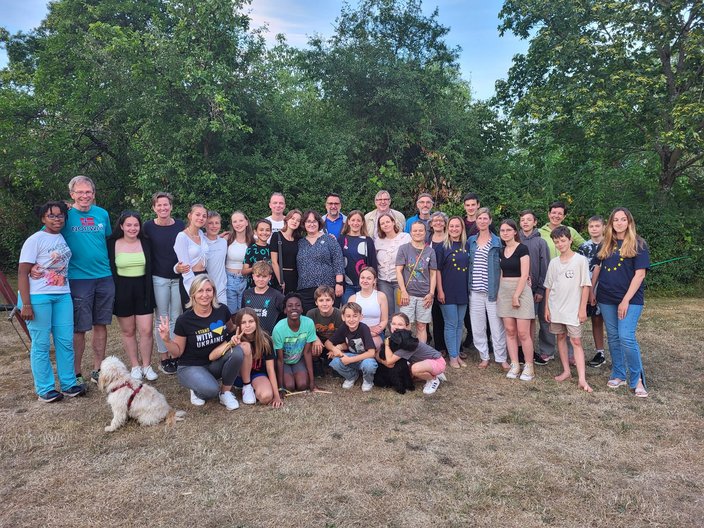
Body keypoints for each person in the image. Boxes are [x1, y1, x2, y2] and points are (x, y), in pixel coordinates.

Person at [18, 201, 85, 401]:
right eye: (51, 216)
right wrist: (26, 303)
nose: (56, 219)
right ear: (42, 218)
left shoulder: (62, 238)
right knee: (41, 344)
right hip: (39, 297)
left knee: (65, 341)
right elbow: (22, 272)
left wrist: (70, 205)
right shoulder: (35, 239)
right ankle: (45, 388)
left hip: (62, 294)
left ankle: (68, 383)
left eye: (60, 215)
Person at [158, 274, 245, 410]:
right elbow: (177, 352)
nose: (205, 295)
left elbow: (231, 329)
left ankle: (225, 392)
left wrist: (240, 333)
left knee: (238, 352)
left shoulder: (222, 310)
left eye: (208, 290)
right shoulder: (184, 320)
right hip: (190, 366)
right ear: (193, 294)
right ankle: (196, 387)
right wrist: (166, 340)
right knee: (211, 391)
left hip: (215, 361)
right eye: (200, 291)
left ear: (214, 292)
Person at [590, 207, 649, 397]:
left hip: (630, 299)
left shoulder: (638, 244)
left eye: (623, 220)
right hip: (606, 297)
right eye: (616, 220)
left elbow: (639, 275)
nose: (619, 223)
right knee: (614, 337)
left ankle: (637, 379)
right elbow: (597, 268)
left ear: (629, 222)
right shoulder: (606, 243)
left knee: (626, 336)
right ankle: (618, 374)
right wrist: (592, 290)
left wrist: (625, 300)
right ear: (611, 223)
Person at [62, 176, 115, 385]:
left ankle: (98, 369)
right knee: (79, 328)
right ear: (72, 194)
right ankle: (76, 373)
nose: (84, 196)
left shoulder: (102, 214)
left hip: (104, 276)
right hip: (78, 279)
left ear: (93, 194)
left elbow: (107, 240)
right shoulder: (64, 215)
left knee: (101, 324)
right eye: (80, 192)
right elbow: (46, 235)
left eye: (88, 192)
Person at [107, 211, 158, 381]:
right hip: (122, 290)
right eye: (128, 225)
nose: (132, 228)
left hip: (144, 289)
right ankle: (135, 365)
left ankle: (147, 366)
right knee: (128, 331)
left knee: (146, 330)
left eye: (136, 225)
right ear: (121, 226)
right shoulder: (112, 243)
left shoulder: (146, 242)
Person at [544, 226, 592, 392]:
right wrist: (547, 308)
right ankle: (566, 371)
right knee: (560, 337)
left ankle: (582, 378)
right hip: (556, 307)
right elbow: (548, 287)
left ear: (570, 240)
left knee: (576, 341)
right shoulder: (553, 263)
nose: (560, 244)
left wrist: (582, 309)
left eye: (563, 240)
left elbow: (585, 286)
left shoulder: (580, 260)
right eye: (557, 242)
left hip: (573, 309)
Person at [537, 202, 585, 363]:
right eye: (553, 212)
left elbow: (585, 246)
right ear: (548, 213)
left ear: (564, 216)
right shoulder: (540, 232)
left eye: (560, 213)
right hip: (549, 277)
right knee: (547, 317)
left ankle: (571, 353)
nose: (556, 215)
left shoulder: (569, 231)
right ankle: (547, 350)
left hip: (570, 279)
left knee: (569, 317)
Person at [142, 192, 185, 375]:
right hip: (158, 278)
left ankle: (175, 354)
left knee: (177, 316)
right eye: (159, 205)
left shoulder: (181, 226)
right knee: (162, 318)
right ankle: (164, 357)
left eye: (166, 204)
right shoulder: (148, 227)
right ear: (153, 208)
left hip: (178, 278)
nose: (163, 208)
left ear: (171, 206)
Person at [467, 208, 508, 370]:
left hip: (493, 291)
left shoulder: (498, 242)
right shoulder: (471, 241)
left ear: (490, 221)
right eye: (479, 219)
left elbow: (504, 265)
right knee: (477, 326)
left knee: (497, 326)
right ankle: (484, 356)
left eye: (485, 218)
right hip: (475, 291)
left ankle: (501, 357)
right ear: (476, 221)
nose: (482, 221)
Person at [497, 219, 535, 381]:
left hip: (521, 291)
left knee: (523, 332)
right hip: (504, 291)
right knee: (510, 331)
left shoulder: (522, 249)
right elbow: (501, 273)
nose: (505, 233)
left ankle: (528, 366)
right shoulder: (501, 251)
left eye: (508, 230)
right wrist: (501, 292)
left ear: (514, 232)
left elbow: (525, 274)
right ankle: (514, 364)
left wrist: (516, 295)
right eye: (502, 230)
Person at [378, 313, 447, 395]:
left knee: (415, 369)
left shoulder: (407, 344)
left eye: (400, 324)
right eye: (393, 324)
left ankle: (433, 379)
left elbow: (389, 361)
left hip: (438, 362)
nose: (396, 327)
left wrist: (386, 344)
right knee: (408, 372)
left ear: (407, 326)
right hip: (426, 361)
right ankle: (433, 371)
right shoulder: (401, 338)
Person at [435, 216, 470, 369]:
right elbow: (437, 271)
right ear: (447, 228)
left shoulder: (467, 245)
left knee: (459, 324)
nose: (454, 229)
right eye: (452, 226)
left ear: (462, 228)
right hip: (447, 291)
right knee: (450, 324)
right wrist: (440, 291)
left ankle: (455, 353)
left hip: (462, 291)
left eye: (457, 226)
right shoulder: (442, 247)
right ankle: (453, 357)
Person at [232, 308, 283, 407]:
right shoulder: (233, 338)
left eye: (251, 321)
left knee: (266, 397)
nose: (247, 325)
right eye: (243, 322)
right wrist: (233, 345)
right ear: (238, 325)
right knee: (244, 346)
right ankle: (244, 387)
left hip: (257, 374)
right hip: (238, 376)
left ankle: (252, 389)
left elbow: (270, 369)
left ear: (256, 322)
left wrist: (276, 396)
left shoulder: (265, 340)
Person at [396, 221, 437, 343]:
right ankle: (404, 354)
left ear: (425, 233)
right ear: (410, 232)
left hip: (424, 295)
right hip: (407, 294)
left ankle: (420, 353)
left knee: (421, 326)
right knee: (404, 326)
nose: (418, 233)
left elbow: (433, 273)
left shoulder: (430, 251)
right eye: (415, 230)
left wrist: (431, 293)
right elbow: (398, 271)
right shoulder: (404, 249)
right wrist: (403, 291)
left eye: (421, 230)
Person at [296, 210, 345, 312]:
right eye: (308, 221)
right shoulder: (300, 242)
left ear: (319, 223)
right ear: (303, 224)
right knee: (310, 320)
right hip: (305, 290)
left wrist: (339, 283)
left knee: (329, 322)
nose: (311, 224)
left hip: (328, 288)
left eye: (314, 221)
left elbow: (338, 261)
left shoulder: (329, 239)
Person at [518, 209, 549, 365]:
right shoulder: (515, 239)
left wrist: (540, 289)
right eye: (522, 219)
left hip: (534, 289)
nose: (525, 222)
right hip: (517, 287)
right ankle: (519, 350)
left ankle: (529, 349)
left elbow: (545, 266)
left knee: (530, 320)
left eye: (529, 220)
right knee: (518, 319)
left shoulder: (541, 242)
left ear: (535, 222)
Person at [325, 302, 378, 391]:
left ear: (361, 317)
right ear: (343, 317)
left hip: (365, 358)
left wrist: (350, 360)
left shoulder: (364, 328)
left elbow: (371, 353)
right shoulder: (344, 327)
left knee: (369, 365)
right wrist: (335, 349)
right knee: (335, 362)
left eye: (355, 316)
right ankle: (352, 376)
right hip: (351, 355)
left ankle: (368, 381)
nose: (351, 319)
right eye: (348, 316)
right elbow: (327, 343)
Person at [272, 293, 319, 392]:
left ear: (302, 309)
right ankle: (286, 378)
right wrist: (280, 388)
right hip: (284, 362)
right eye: (289, 306)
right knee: (289, 387)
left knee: (302, 385)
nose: (294, 308)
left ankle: (300, 374)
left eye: (298, 305)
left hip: (298, 360)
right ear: (285, 310)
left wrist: (312, 382)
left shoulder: (309, 323)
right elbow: (279, 360)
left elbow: (307, 352)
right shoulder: (279, 329)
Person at [578, 215, 606, 368]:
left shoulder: (610, 244)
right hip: (587, 287)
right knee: (589, 318)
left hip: (606, 287)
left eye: (597, 226)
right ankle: (580, 353)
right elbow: (581, 269)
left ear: (603, 227)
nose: (594, 229)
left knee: (603, 320)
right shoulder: (584, 247)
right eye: (591, 226)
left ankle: (604, 352)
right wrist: (587, 291)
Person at [374, 212, 411, 322]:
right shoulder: (378, 241)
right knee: (388, 311)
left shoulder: (405, 237)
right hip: (383, 281)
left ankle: (402, 337)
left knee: (401, 312)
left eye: (387, 222)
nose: (385, 225)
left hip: (400, 281)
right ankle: (392, 338)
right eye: (382, 223)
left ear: (393, 222)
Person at [338, 210, 378, 304]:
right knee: (349, 313)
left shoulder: (368, 241)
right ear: (348, 221)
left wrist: (374, 283)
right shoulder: (341, 239)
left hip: (365, 284)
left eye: (358, 220)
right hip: (347, 285)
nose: (355, 223)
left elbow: (373, 263)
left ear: (362, 222)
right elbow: (338, 262)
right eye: (353, 220)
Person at [173, 204, 209, 309]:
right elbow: (184, 267)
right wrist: (195, 288)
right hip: (190, 278)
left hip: (204, 275)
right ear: (190, 216)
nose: (201, 218)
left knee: (205, 312)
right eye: (197, 214)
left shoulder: (201, 234)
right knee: (192, 312)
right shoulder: (182, 237)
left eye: (204, 216)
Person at [349, 267, 388, 351]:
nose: (365, 280)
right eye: (362, 277)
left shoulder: (381, 296)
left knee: (374, 344)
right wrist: (368, 330)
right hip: (357, 333)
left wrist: (376, 331)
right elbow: (349, 321)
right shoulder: (353, 298)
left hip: (376, 333)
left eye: (369, 278)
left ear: (374, 280)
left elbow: (384, 320)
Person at [241, 261, 285, 334]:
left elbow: (284, 317)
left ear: (269, 277)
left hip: (269, 337)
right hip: (250, 336)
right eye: (258, 276)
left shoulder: (277, 296)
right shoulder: (246, 294)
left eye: (264, 276)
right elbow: (242, 316)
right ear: (253, 276)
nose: (261, 279)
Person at [307, 285, 343, 370]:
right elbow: (307, 331)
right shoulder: (311, 314)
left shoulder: (339, 314)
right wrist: (315, 339)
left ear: (333, 301)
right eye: (321, 300)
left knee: (338, 353)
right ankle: (316, 363)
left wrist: (333, 348)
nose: (324, 304)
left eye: (328, 300)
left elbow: (342, 336)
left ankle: (332, 363)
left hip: (334, 343)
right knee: (310, 345)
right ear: (316, 302)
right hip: (318, 344)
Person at [225, 210, 253, 313]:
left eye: (241, 220)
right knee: (231, 311)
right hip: (229, 279)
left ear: (246, 222)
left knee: (244, 311)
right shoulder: (228, 239)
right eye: (235, 221)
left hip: (246, 279)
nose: (238, 224)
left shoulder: (253, 240)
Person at [427, 211, 448, 354]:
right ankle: (439, 345)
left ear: (445, 223)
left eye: (441, 220)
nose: (438, 223)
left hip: (448, 280)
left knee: (449, 316)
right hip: (430, 281)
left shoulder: (450, 238)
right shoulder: (427, 239)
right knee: (435, 316)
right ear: (431, 223)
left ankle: (452, 346)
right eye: (435, 220)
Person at [271, 209, 302, 295]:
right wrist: (281, 281)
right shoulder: (276, 236)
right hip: (280, 276)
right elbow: (274, 261)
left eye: (298, 220)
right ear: (287, 219)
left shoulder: (299, 239)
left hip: (295, 278)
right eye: (292, 218)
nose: (295, 222)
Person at [242, 219, 279, 290]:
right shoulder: (252, 248)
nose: (264, 232)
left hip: (270, 288)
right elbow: (243, 271)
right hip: (254, 288)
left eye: (267, 230)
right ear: (255, 232)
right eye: (261, 230)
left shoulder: (272, 248)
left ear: (271, 232)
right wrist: (256, 266)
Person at [205, 211, 227, 306]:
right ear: (205, 225)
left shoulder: (223, 242)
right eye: (210, 223)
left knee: (222, 318)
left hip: (221, 289)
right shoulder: (200, 241)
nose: (214, 226)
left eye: (217, 223)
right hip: (204, 289)